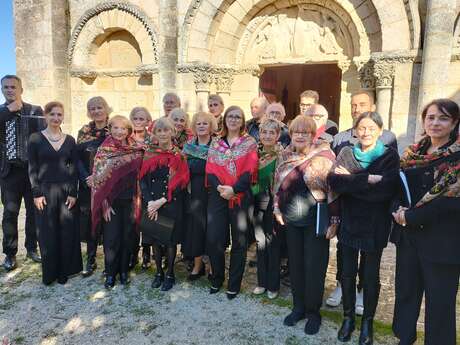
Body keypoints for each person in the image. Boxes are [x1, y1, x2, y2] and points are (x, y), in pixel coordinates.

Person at [391, 99, 460, 345]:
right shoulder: (412, 153)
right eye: (430, 117)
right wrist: (396, 210)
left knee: (440, 302)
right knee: (406, 293)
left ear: (454, 123)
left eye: (443, 118)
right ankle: (405, 337)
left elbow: (452, 203)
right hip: (409, 239)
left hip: (443, 241)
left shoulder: (457, 159)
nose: (435, 123)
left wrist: (412, 216)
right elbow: (396, 187)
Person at [328, 112, 400, 345]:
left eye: (371, 128)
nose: (366, 132)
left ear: (380, 131)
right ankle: (348, 318)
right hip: (350, 221)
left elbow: (386, 191)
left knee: (370, 276)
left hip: (375, 225)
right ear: (356, 130)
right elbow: (334, 182)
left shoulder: (389, 156)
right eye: (362, 128)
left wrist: (352, 180)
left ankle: (367, 322)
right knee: (347, 273)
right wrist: (369, 180)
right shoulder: (347, 152)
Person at [274, 115, 338, 335]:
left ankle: (313, 313)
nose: (300, 136)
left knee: (315, 268)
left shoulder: (326, 156)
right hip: (292, 219)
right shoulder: (285, 155)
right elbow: (278, 185)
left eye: (305, 132)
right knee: (296, 266)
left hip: (316, 220)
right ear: (290, 135)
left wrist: (335, 220)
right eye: (296, 132)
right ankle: (298, 308)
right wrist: (276, 208)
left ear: (313, 135)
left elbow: (334, 191)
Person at [206, 105, 258, 299]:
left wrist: (234, 189)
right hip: (218, 197)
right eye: (231, 116)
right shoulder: (216, 143)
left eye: (238, 116)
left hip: (241, 197)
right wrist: (222, 189)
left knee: (239, 241)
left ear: (243, 121)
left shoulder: (250, 142)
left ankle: (234, 283)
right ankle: (217, 278)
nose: (234, 119)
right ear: (225, 119)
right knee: (215, 239)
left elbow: (250, 170)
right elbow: (210, 169)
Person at [28, 101, 82, 285]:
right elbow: (32, 168)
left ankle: (64, 272)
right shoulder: (35, 138)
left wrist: (73, 193)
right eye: (53, 114)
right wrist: (36, 193)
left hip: (66, 191)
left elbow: (74, 168)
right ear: (46, 115)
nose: (56, 118)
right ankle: (50, 273)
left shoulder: (70, 140)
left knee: (66, 230)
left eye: (60, 114)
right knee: (47, 232)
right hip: (44, 191)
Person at [90, 115, 143, 289]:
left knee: (127, 237)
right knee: (111, 239)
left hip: (130, 200)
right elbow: (98, 180)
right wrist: (104, 204)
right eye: (116, 128)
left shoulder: (136, 149)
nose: (119, 131)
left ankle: (124, 272)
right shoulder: (103, 151)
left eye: (123, 128)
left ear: (129, 131)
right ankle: (110, 274)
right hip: (111, 203)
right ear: (110, 129)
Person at [139, 117, 189, 291]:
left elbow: (181, 182)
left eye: (166, 130)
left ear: (172, 132)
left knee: (170, 241)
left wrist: (161, 201)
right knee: (154, 238)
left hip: (170, 202)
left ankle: (170, 273)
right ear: (154, 133)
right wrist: (149, 201)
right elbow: (142, 180)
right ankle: (158, 272)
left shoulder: (179, 155)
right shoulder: (149, 153)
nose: (162, 134)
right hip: (152, 202)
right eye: (159, 130)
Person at [0, 75, 44, 271]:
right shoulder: (0, 112)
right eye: (6, 87)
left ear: (21, 89)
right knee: (10, 213)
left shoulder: (34, 110)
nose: (10, 90)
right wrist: (6, 112)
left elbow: (44, 138)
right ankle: (10, 254)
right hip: (9, 172)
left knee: (34, 212)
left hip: (31, 172)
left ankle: (32, 248)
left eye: (13, 87)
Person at [76, 96, 110, 277]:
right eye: (93, 108)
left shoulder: (114, 129)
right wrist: (86, 178)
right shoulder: (84, 131)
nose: (97, 111)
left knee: (108, 221)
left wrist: (103, 178)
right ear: (89, 111)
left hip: (108, 183)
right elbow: (77, 158)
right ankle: (90, 259)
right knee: (90, 220)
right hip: (88, 184)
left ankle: (108, 260)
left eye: (100, 107)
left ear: (106, 108)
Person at [182, 112, 217, 280]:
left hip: (213, 192)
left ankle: (211, 266)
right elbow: (181, 171)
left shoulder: (218, 147)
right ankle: (197, 266)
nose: (202, 126)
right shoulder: (188, 147)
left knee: (211, 228)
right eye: (198, 124)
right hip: (194, 192)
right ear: (194, 127)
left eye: (205, 123)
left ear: (211, 126)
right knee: (196, 228)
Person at [251, 118, 283, 299]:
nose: (267, 136)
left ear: (278, 135)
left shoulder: (282, 154)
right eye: (264, 132)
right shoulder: (254, 153)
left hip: (275, 203)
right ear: (260, 134)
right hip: (257, 201)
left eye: (272, 132)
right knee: (260, 241)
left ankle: (273, 285)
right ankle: (261, 282)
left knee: (273, 244)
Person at [129, 106, 152, 270]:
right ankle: (132, 253)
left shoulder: (153, 139)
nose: (138, 122)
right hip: (130, 184)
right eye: (135, 119)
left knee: (147, 217)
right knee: (132, 219)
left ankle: (146, 253)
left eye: (141, 119)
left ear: (147, 122)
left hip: (148, 183)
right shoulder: (126, 140)